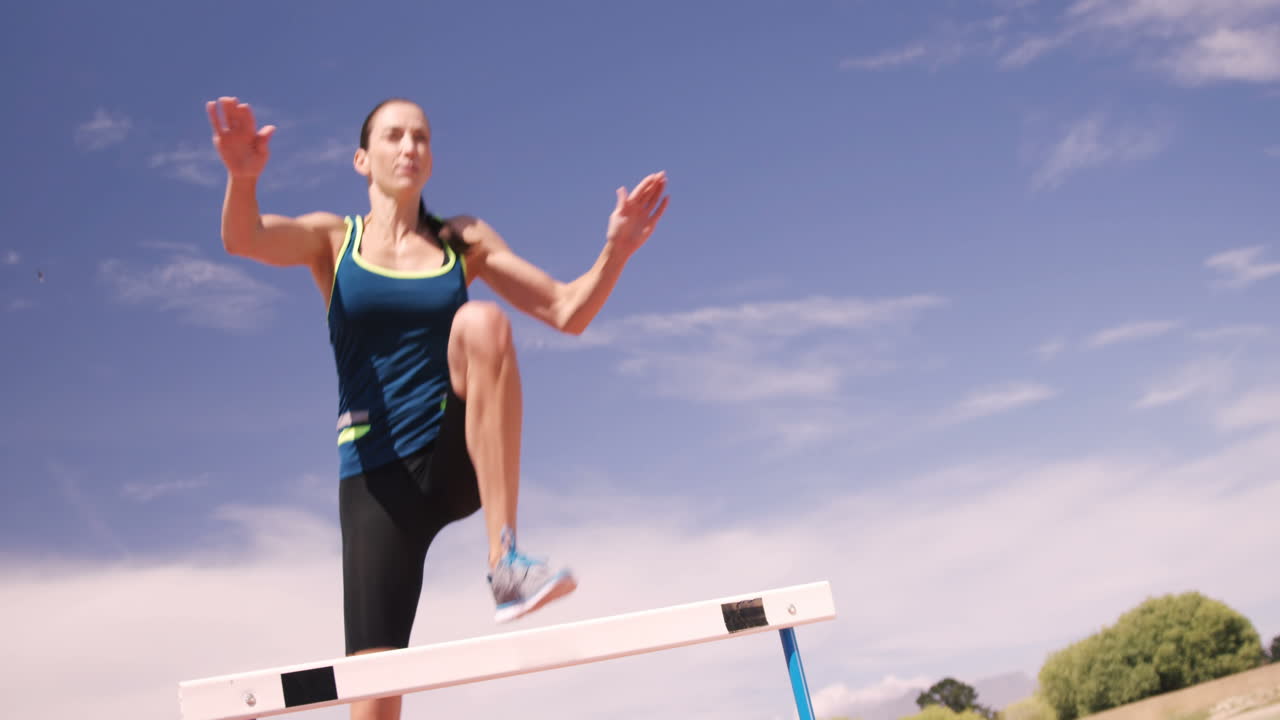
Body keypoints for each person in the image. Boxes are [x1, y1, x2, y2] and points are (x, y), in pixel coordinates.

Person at [206, 95, 668, 720]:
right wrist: (242, 177)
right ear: (362, 160)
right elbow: (245, 238)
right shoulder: (332, 240)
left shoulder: (461, 240)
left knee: (481, 322)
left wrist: (616, 250)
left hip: (453, 456)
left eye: (421, 138)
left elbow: (567, 310)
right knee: (374, 703)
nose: (409, 148)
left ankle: (505, 560)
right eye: (394, 137)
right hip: (375, 483)